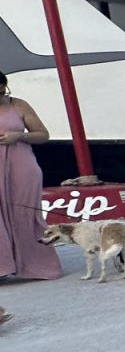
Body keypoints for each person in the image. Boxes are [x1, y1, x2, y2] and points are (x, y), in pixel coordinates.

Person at [0, 69, 62, 281]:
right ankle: (3, 267)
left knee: (25, 214)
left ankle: (37, 266)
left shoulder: (18, 105)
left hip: (21, 166)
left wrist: (18, 136)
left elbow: (43, 135)